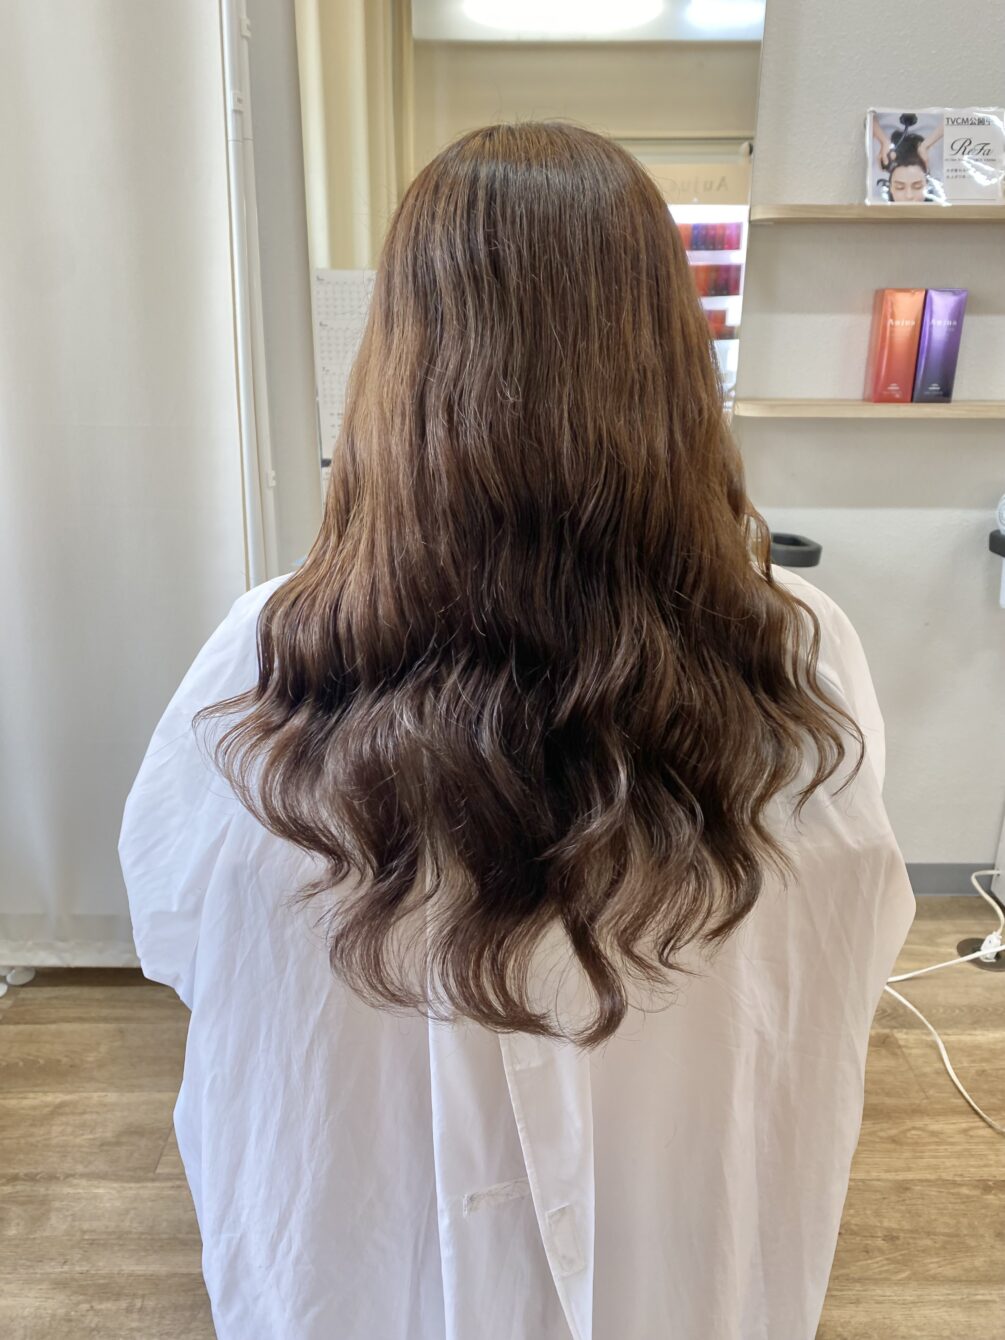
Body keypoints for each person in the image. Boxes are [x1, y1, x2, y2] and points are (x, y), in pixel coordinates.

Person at [120, 122, 914, 1340]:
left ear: (403, 356)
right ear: (669, 356)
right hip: (683, 1260)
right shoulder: (799, 649)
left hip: (361, 1269)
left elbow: (176, 934)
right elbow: (851, 942)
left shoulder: (269, 650)